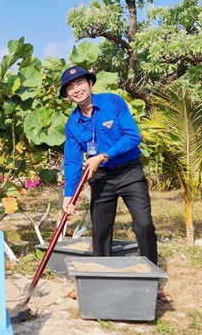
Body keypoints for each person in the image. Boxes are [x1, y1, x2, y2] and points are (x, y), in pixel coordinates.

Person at [59, 66, 172, 303]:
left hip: (130, 172)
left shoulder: (113, 103)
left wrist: (103, 156)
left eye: (79, 83)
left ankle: (154, 282)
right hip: (101, 179)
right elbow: (71, 162)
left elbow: (133, 137)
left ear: (89, 84)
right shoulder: (73, 124)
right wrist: (68, 197)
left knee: (144, 225)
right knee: (100, 232)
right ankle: (100, 281)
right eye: (70, 88)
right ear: (68, 95)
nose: (75, 89)